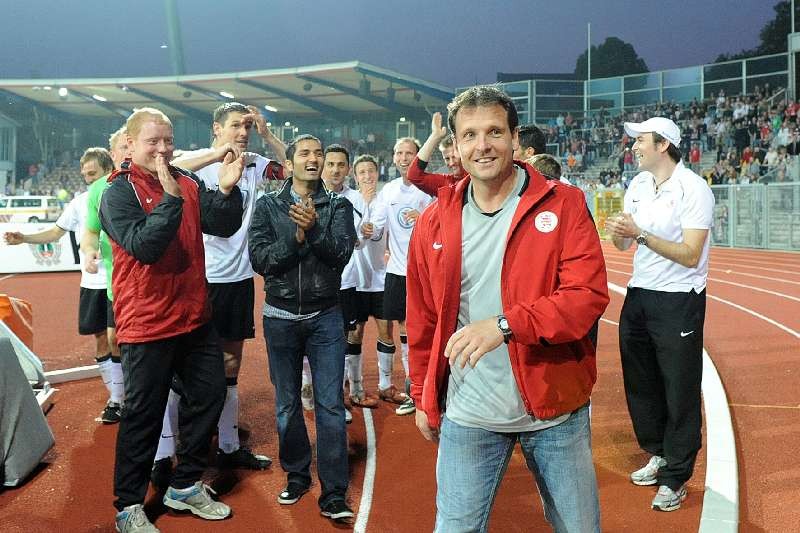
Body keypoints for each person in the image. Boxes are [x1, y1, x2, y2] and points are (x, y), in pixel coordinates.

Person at [407, 85, 608, 532]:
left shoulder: (564, 203)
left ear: (515, 138)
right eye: (470, 135)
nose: (483, 145)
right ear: (456, 146)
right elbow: (423, 319)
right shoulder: (433, 221)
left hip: (553, 408)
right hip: (469, 411)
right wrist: (422, 393)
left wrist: (505, 325)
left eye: (495, 132)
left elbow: (586, 297)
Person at [99, 107, 245, 532]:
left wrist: (227, 191)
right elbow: (145, 247)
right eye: (153, 142)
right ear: (130, 145)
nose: (162, 149)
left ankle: (184, 485)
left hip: (194, 318)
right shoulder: (118, 192)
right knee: (143, 417)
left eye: (168, 141)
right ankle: (128, 506)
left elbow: (222, 225)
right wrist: (171, 198)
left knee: (210, 396)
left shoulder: (187, 180)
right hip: (146, 324)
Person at [150, 102, 284, 480]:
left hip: (238, 280)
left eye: (247, 127)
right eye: (236, 125)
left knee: (230, 365)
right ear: (216, 128)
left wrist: (268, 134)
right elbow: (166, 169)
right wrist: (218, 154)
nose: (243, 132)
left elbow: (291, 167)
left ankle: (228, 446)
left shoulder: (255, 163)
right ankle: (165, 452)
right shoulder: (196, 160)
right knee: (180, 367)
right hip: (198, 279)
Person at [605, 117, 715, 512]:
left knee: (679, 388)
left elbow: (690, 255)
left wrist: (639, 234)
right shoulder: (638, 184)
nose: (633, 147)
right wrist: (619, 231)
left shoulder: (694, 189)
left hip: (678, 299)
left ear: (663, 144)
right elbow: (622, 245)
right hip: (639, 295)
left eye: (640, 140)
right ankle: (660, 453)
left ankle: (676, 476)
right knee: (642, 382)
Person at [248, 134, 357, 523]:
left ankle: (334, 492)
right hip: (279, 317)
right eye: (305, 153)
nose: (314, 159)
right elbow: (261, 260)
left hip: (325, 317)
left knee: (329, 405)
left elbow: (340, 256)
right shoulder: (267, 206)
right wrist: (295, 241)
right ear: (290, 163)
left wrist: (312, 231)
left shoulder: (338, 206)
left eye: (319, 153)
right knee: (287, 404)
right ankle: (296, 476)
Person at [5, 147, 122, 423]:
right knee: (101, 340)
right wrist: (24, 238)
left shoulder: (122, 196)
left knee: (117, 339)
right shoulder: (80, 202)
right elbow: (56, 232)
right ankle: (117, 399)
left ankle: (128, 396)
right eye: (85, 175)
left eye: (93, 174)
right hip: (91, 283)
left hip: (119, 281)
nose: (88, 179)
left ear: (108, 170)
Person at [371, 137, 433, 415]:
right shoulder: (389, 190)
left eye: (409, 153)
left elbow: (445, 226)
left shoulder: (430, 188)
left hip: (423, 273)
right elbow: (377, 227)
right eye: (399, 153)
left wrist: (425, 218)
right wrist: (368, 230)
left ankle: (417, 388)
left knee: (416, 329)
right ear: (393, 157)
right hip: (396, 271)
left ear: (419, 156)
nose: (404, 158)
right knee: (395, 327)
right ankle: (397, 385)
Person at [320, 146, 380, 415]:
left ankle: (343, 394)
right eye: (330, 164)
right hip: (318, 282)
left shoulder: (356, 198)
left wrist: (364, 235)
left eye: (340, 165)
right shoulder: (312, 194)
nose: (335, 170)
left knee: (343, 339)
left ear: (347, 169)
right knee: (317, 339)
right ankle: (312, 387)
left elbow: (359, 242)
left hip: (346, 281)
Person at [407, 112, 467, 196]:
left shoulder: (478, 178)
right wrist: (435, 136)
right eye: (447, 159)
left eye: (454, 157)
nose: (451, 163)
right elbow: (414, 175)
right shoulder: (445, 183)